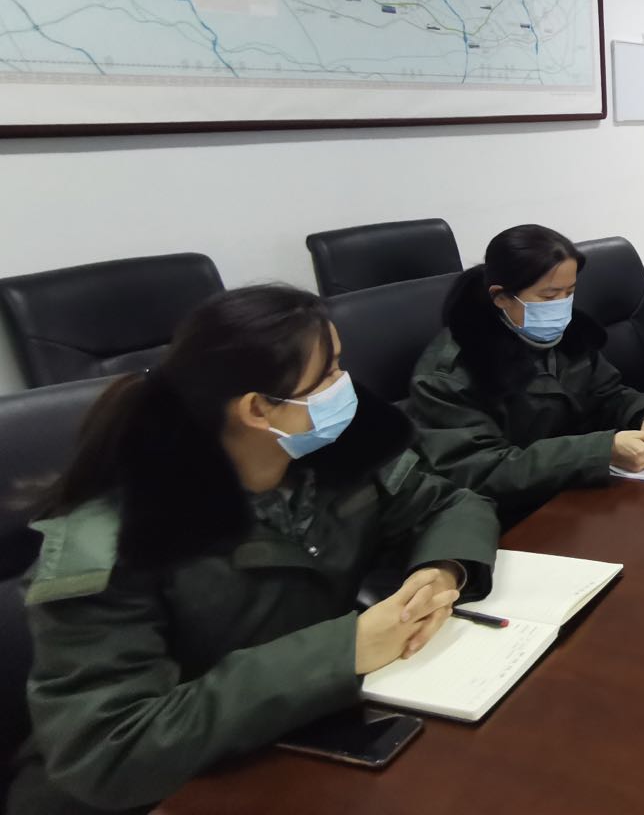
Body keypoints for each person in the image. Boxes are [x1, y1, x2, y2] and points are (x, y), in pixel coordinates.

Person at [11, 285, 499, 815]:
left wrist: (442, 570)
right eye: (329, 375)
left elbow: (450, 504)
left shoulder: (336, 453)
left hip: (292, 742)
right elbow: (110, 750)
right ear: (258, 409)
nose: (346, 387)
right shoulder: (112, 538)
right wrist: (345, 650)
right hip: (155, 795)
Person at [406, 225, 644, 524]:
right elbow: (480, 469)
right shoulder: (450, 374)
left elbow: (608, 395)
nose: (562, 307)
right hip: (510, 517)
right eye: (549, 296)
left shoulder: (568, 335)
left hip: (576, 494)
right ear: (501, 297)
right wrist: (600, 451)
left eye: (569, 292)